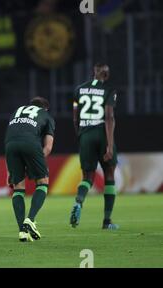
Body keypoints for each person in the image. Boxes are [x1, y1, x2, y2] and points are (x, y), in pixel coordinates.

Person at [70, 63, 119, 230]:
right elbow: (109, 117)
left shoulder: (79, 90)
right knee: (109, 175)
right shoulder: (109, 90)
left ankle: (78, 202)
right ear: (107, 74)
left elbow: (75, 117)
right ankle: (107, 221)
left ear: (94, 72)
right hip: (102, 133)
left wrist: (80, 135)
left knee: (87, 178)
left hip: (85, 134)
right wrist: (110, 146)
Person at [5, 97, 55, 242]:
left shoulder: (17, 112)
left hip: (10, 145)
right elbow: (48, 147)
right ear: (45, 108)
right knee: (43, 181)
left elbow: (12, 134)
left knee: (18, 187)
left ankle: (22, 231)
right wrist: (37, 163)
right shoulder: (46, 115)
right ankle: (30, 220)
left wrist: (10, 170)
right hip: (30, 143)